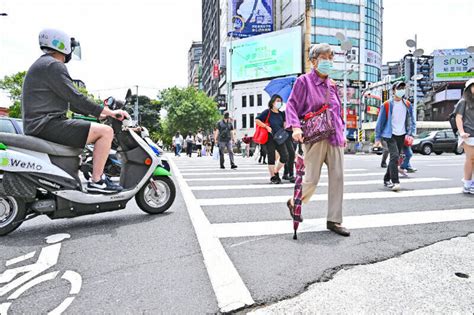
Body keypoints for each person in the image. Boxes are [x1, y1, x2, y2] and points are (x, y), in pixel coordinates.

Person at [22, 29, 129, 194]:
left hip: (40, 124)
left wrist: (99, 113)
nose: (71, 51)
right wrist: (109, 112)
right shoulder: (54, 65)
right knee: (106, 132)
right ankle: (97, 181)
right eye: (70, 47)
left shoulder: (44, 65)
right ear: (61, 44)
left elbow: (73, 104)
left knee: (95, 131)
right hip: (46, 124)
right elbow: (76, 97)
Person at [285, 43, 349, 237]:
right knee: (311, 179)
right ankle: (294, 201)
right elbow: (292, 106)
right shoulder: (303, 81)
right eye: (324, 57)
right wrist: (296, 127)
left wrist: (343, 132)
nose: (328, 61)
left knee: (338, 179)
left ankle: (334, 220)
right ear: (313, 61)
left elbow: (337, 112)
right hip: (315, 137)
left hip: (335, 136)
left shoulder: (332, 85)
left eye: (331, 57)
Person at [374, 81, 416, 191]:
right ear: (393, 90)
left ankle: (386, 179)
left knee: (395, 157)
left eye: (403, 88)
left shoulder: (407, 104)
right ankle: (395, 182)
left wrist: (411, 133)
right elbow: (380, 122)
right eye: (399, 88)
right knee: (395, 156)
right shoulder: (387, 104)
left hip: (402, 135)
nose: (401, 90)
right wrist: (377, 138)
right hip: (389, 134)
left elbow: (411, 120)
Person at [256, 94, 295, 184]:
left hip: (280, 137)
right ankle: (273, 177)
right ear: (272, 102)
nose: (279, 102)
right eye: (277, 100)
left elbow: (285, 124)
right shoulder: (267, 112)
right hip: (269, 137)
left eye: (280, 101)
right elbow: (257, 120)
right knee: (271, 156)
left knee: (285, 156)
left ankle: (276, 171)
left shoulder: (282, 114)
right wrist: (266, 126)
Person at [455, 78, 474, 194]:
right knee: (470, 158)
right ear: (468, 89)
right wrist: (461, 132)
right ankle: (467, 183)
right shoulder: (463, 102)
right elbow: (458, 118)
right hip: (467, 134)